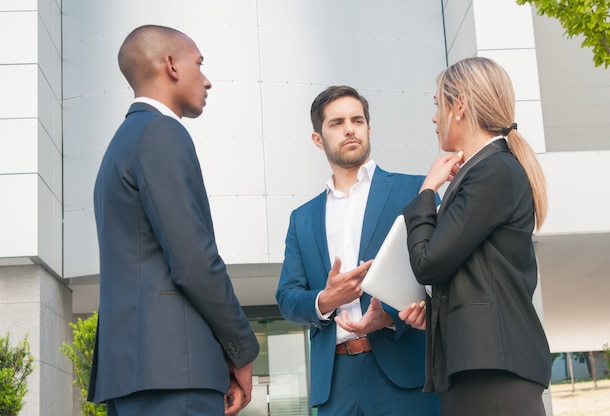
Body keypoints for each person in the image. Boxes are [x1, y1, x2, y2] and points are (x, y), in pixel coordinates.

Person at [87, 25, 260, 416]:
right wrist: (242, 350)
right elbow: (194, 262)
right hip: (174, 373)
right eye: (199, 64)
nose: (207, 79)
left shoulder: (120, 146)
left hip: (136, 375)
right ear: (170, 65)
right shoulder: (161, 134)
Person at [275, 85, 440, 415]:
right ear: (317, 139)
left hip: (404, 375)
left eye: (357, 120)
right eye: (336, 123)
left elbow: (443, 274)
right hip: (335, 384)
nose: (350, 128)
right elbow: (288, 297)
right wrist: (326, 299)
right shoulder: (302, 219)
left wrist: (390, 318)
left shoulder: (416, 191)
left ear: (368, 129)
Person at [400, 56, 551, 416]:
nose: (435, 118)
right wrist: (433, 309)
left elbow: (428, 262)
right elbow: (472, 271)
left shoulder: (493, 170)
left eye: (439, 105)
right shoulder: (487, 170)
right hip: (480, 367)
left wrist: (427, 190)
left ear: (460, 107)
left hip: (493, 370)